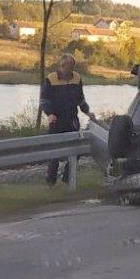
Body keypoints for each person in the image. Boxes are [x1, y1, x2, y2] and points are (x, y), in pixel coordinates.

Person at [40, 53, 93, 184]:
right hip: (57, 120)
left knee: (78, 149)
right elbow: (44, 100)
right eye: (68, 67)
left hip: (72, 119)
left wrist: (87, 112)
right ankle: (50, 182)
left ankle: (67, 179)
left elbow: (80, 99)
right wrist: (50, 114)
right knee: (54, 153)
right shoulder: (51, 79)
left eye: (72, 67)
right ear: (62, 66)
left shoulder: (77, 78)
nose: (70, 70)